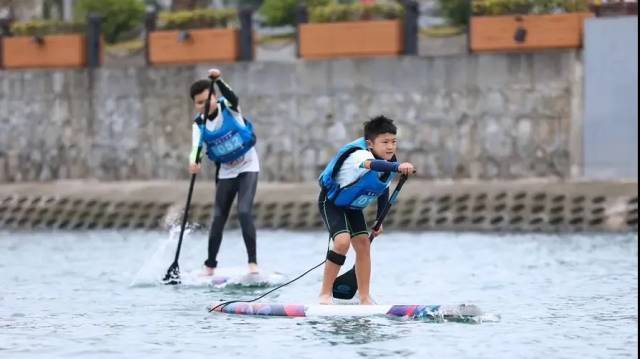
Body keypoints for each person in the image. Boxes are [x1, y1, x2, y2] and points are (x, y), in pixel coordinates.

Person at [317, 115, 415, 305]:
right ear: (370, 143)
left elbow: (383, 188)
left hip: (353, 207)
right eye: (384, 142)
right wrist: (398, 167)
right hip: (331, 202)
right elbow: (372, 165)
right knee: (342, 242)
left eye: (394, 142)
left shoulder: (388, 163)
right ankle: (325, 294)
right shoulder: (359, 155)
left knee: (363, 245)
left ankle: (364, 297)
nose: (390, 147)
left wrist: (379, 220)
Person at [188, 68, 260, 276]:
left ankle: (253, 263)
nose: (205, 105)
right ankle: (210, 265)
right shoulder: (199, 124)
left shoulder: (230, 107)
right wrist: (194, 162)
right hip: (226, 171)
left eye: (208, 99)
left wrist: (218, 80)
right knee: (218, 217)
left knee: (244, 211)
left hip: (248, 165)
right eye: (199, 102)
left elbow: (232, 96)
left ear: (214, 97)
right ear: (195, 105)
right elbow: (196, 148)